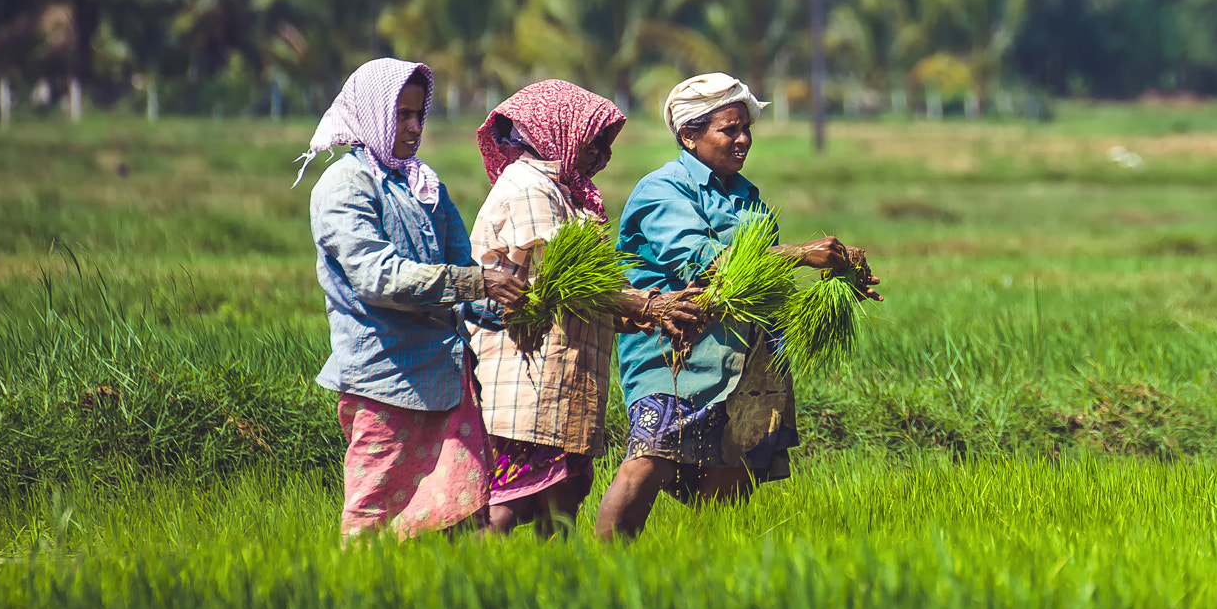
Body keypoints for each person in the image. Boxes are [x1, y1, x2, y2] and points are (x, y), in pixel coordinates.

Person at [594, 72, 881, 541]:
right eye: (729, 130)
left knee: (730, 480)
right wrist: (798, 253)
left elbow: (761, 281)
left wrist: (838, 280)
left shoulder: (748, 197)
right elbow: (705, 267)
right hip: (677, 357)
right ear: (689, 135)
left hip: (746, 360)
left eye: (746, 129)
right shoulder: (661, 191)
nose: (743, 139)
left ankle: (709, 579)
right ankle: (597, 571)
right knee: (649, 462)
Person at [467, 79, 705, 537]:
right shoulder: (529, 187)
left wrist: (645, 314)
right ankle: (465, 593)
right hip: (527, 374)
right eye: (592, 141)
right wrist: (650, 304)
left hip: (564, 375)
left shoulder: (564, 193)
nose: (599, 155)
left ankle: (560, 596)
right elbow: (568, 283)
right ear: (557, 130)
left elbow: (591, 288)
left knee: (561, 501)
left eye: (605, 146)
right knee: (508, 502)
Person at [299, 58, 523, 540]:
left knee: (467, 515)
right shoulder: (345, 185)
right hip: (387, 381)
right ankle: (354, 607)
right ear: (372, 113)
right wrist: (478, 284)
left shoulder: (424, 185)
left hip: (447, 381)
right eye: (401, 115)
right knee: (373, 520)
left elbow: (466, 271)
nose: (414, 127)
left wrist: (514, 301)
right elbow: (377, 278)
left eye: (420, 114)